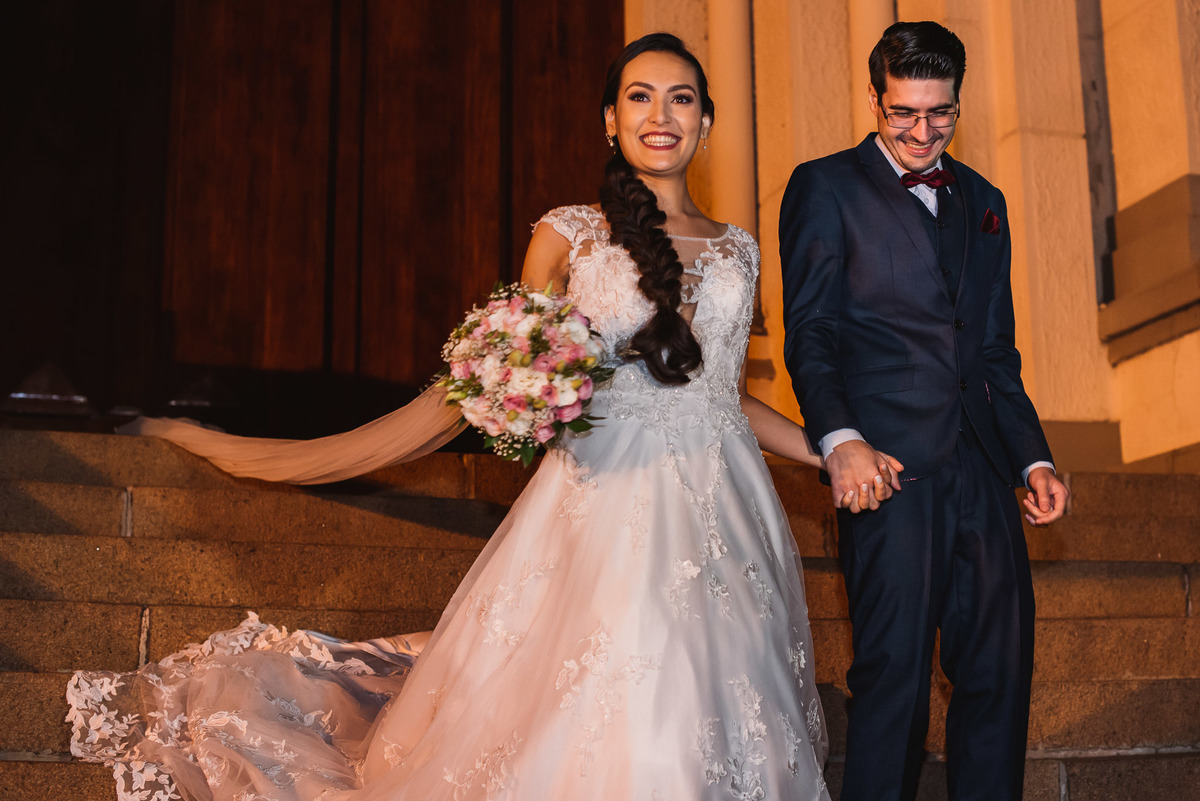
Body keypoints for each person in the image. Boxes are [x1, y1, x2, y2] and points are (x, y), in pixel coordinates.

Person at [69, 33, 881, 801]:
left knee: (715, 680)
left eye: (681, 99)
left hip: (722, 501)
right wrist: (523, 393)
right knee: (626, 660)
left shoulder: (740, 248)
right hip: (607, 492)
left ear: (706, 122)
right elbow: (523, 356)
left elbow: (724, 395)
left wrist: (833, 448)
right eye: (640, 97)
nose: (660, 115)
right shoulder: (568, 233)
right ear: (610, 119)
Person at [778, 21, 1070, 801]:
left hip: (984, 467)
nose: (921, 130)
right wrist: (840, 439)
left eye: (940, 112)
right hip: (887, 468)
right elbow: (811, 333)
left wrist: (1032, 456)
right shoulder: (824, 186)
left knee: (1000, 671)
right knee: (894, 678)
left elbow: (995, 350)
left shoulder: (985, 200)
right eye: (903, 111)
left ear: (957, 102)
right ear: (875, 100)